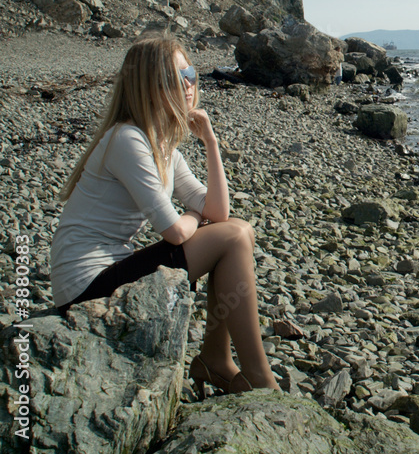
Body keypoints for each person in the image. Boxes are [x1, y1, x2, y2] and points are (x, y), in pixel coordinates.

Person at [49, 35, 280, 397]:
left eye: (190, 72)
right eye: (177, 76)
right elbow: (174, 231)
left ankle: (216, 359)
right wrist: (192, 214)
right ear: (150, 85)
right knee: (234, 236)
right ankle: (257, 377)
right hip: (84, 285)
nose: (189, 83)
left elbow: (219, 212)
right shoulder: (127, 139)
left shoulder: (164, 145)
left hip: (110, 267)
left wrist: (211, 142)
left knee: (239, 232)